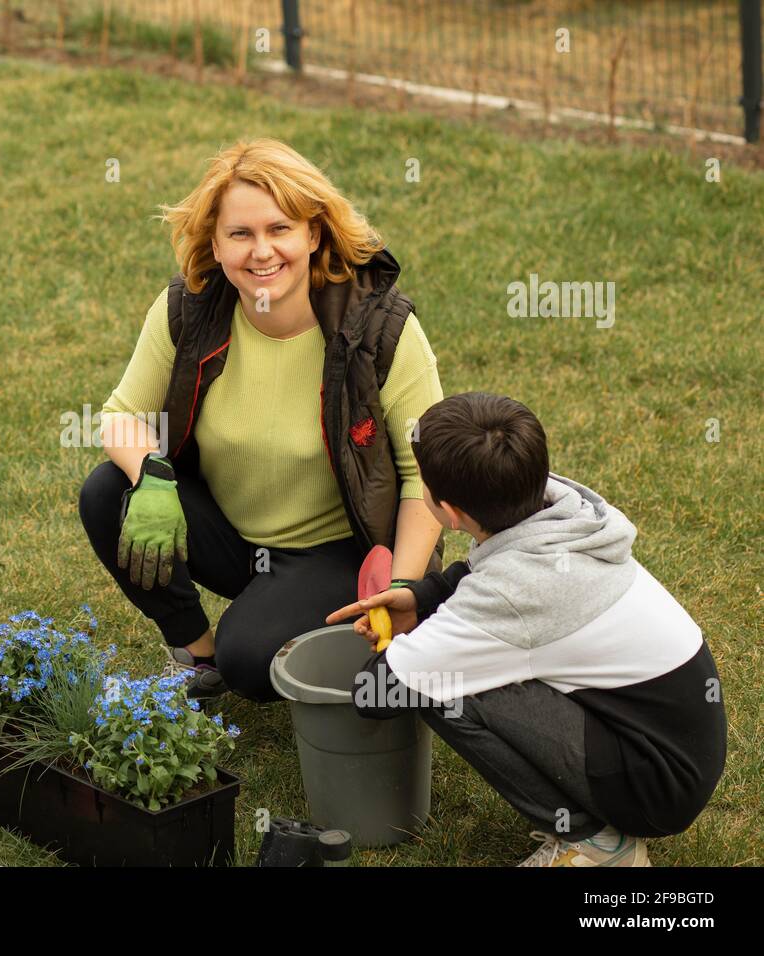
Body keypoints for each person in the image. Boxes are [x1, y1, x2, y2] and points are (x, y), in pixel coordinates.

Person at [79, 138, 444, 700]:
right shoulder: (189, 307)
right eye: (240, 234)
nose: (261, 252)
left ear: (313, 234)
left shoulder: (379, 327)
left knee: (251, 660)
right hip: (236, 540)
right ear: (217, 245)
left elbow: (426, 475)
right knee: (109, 493)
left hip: (344, 552)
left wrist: (399, 591)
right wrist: (151, 473)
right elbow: (121, 415)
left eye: (280, 229)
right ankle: (198, 657)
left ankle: (277, 641)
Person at [327, 392, 727, 867]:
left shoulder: (513, 594)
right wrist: (424, 598)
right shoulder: (564, 510)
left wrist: (411, 647)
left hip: (656, 786)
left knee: (439, 687)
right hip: (673, 745)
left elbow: (380, 692)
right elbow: (496, 569)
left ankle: (599, 843)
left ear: (449, 514)